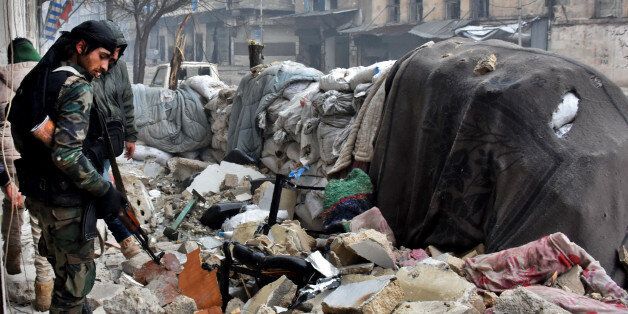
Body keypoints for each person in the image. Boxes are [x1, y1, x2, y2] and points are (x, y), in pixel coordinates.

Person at [8, 21, 126, 313]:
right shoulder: (76, 87)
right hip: (66, 206)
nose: (106, 67)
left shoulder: (45, 78)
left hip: (43, 200)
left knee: (65, 278)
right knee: (72, 290)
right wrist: (104, 190)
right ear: (81, 47)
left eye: (111, 61)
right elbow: (68, 156)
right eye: (102, 56)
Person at [0, 37, 56, 311]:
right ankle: (44, 293)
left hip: (8, 158)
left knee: (12, 206)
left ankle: (11, 260)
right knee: (39, 221)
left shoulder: (1, 81)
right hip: (37, 160)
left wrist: (5, 178)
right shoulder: (47, 80)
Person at [91, 20, 140, 259]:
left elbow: (126, 100)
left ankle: (124, 238)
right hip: (89, 142)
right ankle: (125, 238)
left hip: (112, 137)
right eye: (111, 53)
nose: (114, 58)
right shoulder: (90, 67)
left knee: (101, 188)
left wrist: (130, 134)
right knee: (100, 190)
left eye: (118, 53)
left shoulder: (118, 67)